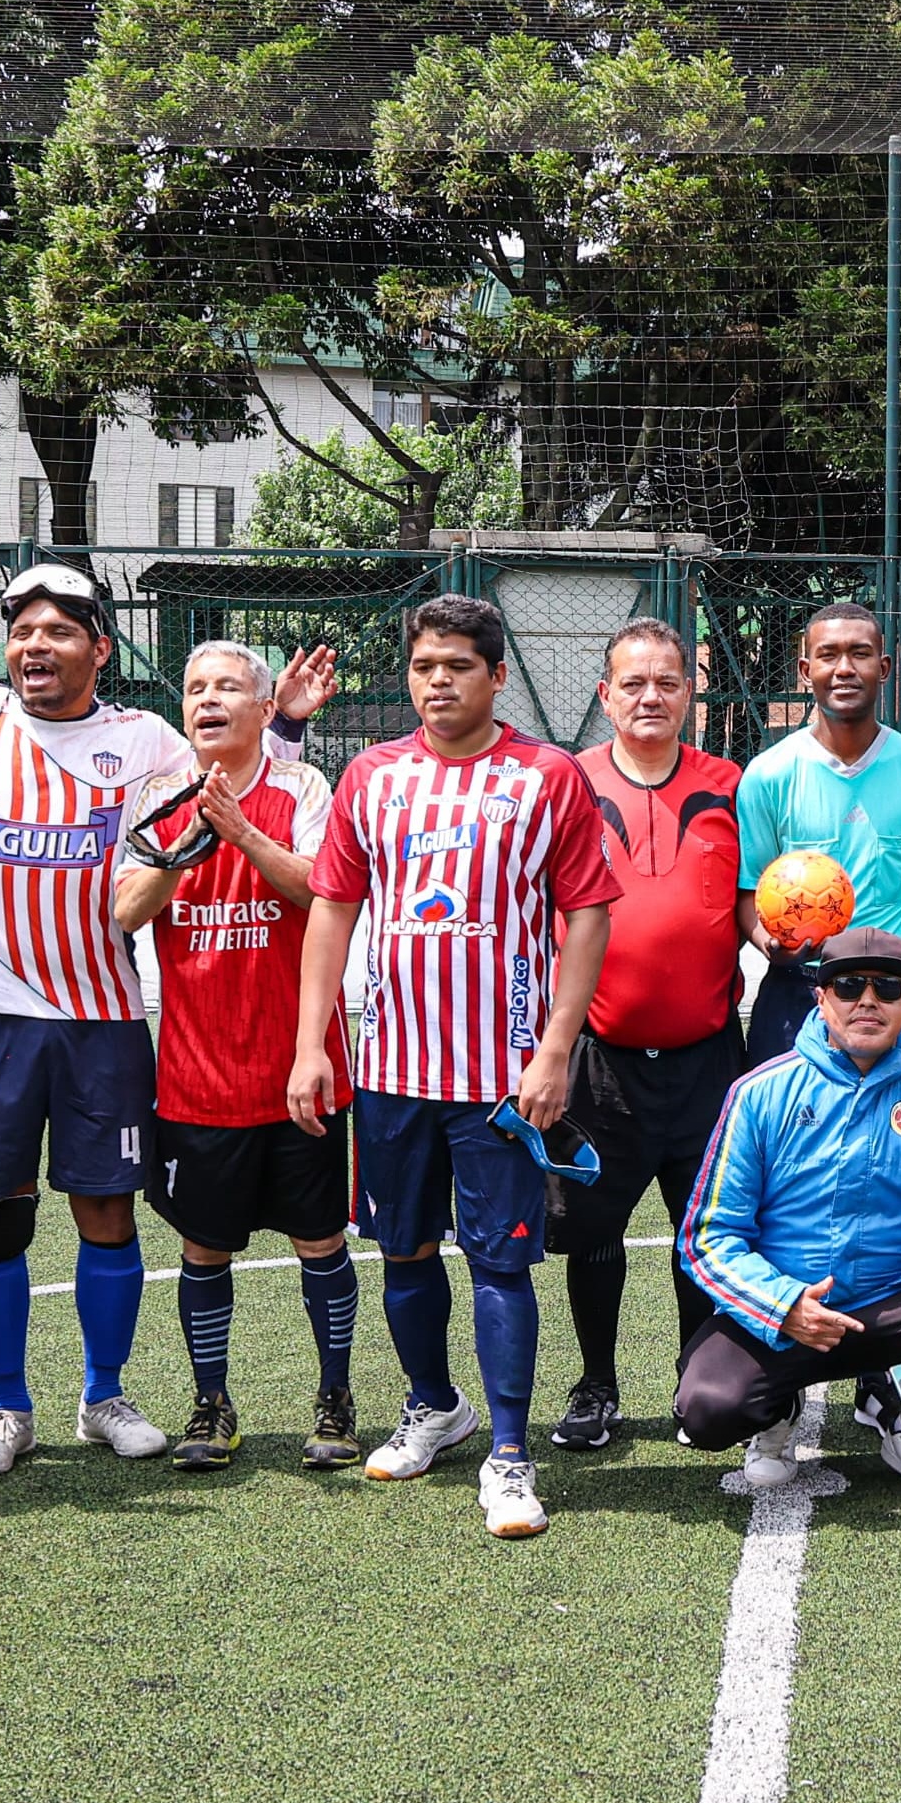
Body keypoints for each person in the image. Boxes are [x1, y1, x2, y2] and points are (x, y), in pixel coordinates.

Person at [0, 508, 326, 1476]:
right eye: (21, 629)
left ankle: (103, 1391)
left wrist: (288, 726)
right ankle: (7, 1407)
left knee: (107, 1212)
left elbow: (240, 779)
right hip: (0, 1020)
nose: (33, 644)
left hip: (103, 1019)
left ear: (99, 645)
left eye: (57, 629)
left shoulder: (145, 740)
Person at [287, 595, 616, 1539]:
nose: (440, 681)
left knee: (502, 1262)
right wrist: (315, 1043)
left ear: (496, 676)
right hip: (391, 1069)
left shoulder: (546, 776)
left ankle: (509, 1454)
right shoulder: (371, 776)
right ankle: (435, 1405)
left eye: (459, 666)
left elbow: (588, 912)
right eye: (426, 665)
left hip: (501, 1079)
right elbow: (332, 910)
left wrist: (556, 1048)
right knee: (401, 1249)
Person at [112, 642, 363, 1472]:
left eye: (227, 687)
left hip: (301, 1072)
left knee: (321, 1242)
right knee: (203, 1248)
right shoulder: (155, 796)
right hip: (196, 1080)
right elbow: (124, 911)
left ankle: (334, 1398)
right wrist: (182, 842)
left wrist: (241, 831)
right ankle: (211, 1403)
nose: (207, 699)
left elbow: (322, 892)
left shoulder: (303, 788)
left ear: (265, 711)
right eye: (194, 688)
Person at [673, 928, 901, 1509]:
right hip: (788, 1307)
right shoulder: (759, 1092)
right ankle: (777, 1411)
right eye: (848, 986)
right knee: (710, 1409)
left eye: (887, 987)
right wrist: (781, 1305)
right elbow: (708, 1237)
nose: (868, 1000)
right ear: (822, 999)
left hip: (894, 1305)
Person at [549, 619, 744, 1449]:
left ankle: (693, 1383)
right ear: (605, 694)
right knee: (593, 1233)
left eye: (668, 681)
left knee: (703, 1233)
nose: (651, 696)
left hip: (707, 1058)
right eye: (633, 683)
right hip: (600, 1062)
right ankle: (596, 1385)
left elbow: (758, 903)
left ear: (690, 694)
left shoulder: (736, 784)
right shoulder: (566, 783)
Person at [738, 601, 901, 1062]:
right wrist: (769, 944)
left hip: (889, 989)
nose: (845, 669)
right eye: (829, 655)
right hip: (798, 987)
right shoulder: (767, 775)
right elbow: (749, 892)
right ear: (805, 669)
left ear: (885, 667)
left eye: (861, 653)